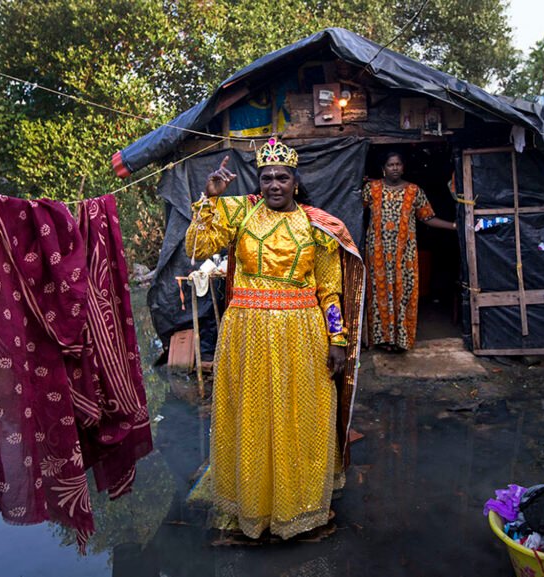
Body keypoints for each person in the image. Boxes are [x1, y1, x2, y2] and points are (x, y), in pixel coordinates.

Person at [185, 138, 364, 540]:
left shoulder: (317, 226)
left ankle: (297, 507)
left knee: (299, 416)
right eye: (266, 178)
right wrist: (209, 198)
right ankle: (253, 507)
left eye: (282, 177)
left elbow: (329, 289)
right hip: (245, 332)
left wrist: (337, 339)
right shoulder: (240, 212)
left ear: (296, 182)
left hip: (302, 333)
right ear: (259, 181)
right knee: (250, 415)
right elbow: (196, 247)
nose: (274, 185)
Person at [363, 151, 455, 352]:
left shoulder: (414, 191)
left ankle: (401, 339)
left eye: (398, 164)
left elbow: (428, 217)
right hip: (377, 253)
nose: (394, 168)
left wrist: (455, 226)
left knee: (403, 292)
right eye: (390, 164)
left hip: (405, 254)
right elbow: (353, 210)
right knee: (379, 292)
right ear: (383, 168)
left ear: (403, 167)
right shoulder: (372, 189)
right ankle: (383, 339)